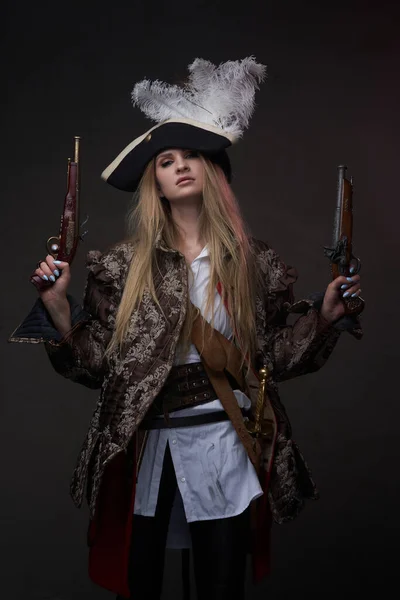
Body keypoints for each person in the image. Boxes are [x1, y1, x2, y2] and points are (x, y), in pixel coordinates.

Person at [10, 57, 362, 600]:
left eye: (192, 154)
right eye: (166, 159)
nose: (179, 165)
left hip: (225, 441)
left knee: (221, 585)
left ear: (213, 168)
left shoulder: (254, 264)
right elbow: (101, 367)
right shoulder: (121, 267)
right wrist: (59, 307)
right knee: (142, 580)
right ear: (154, 180)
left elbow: (273, 359)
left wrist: (326, 320)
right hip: (148, 444)